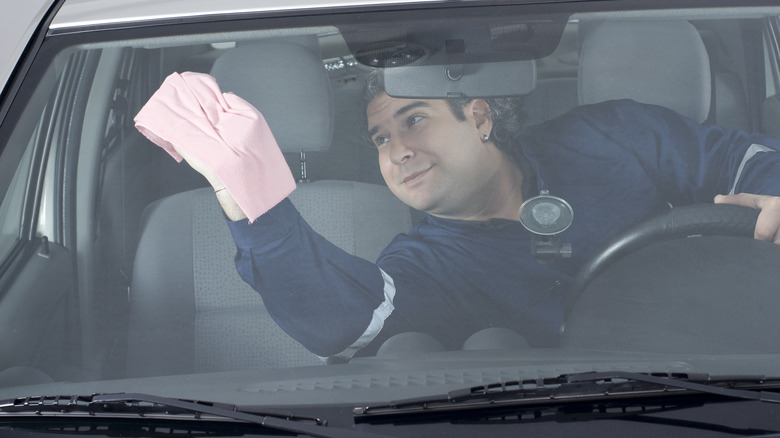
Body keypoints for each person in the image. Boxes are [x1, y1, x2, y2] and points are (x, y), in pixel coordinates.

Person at [136, 70, 780, 361]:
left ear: (477, 116)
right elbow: (352, 322)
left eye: (413, 119)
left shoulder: (613, 133)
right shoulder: (425, 265)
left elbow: (745, 160)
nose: (399, 150)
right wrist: (253, 201)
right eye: (381, 139)